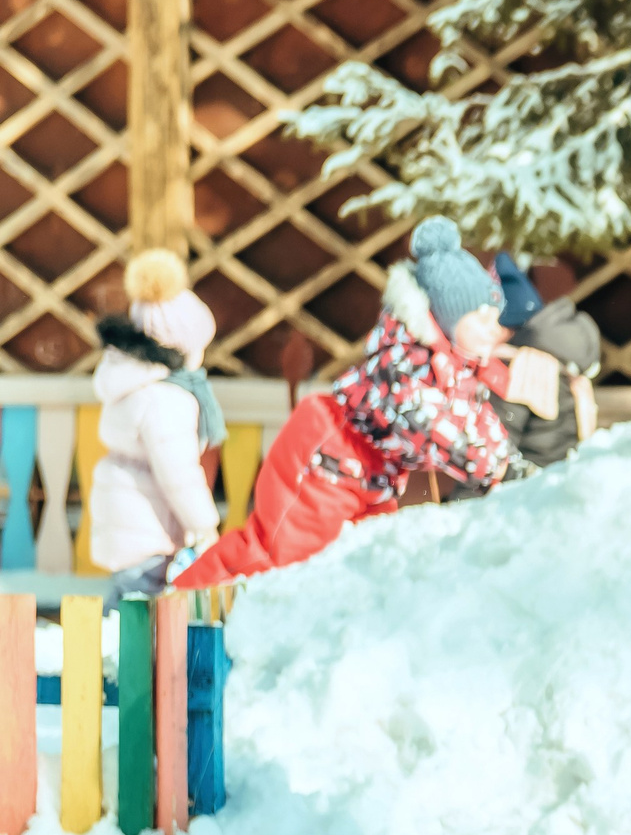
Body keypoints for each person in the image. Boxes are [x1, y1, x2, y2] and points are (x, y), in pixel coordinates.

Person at [173, 218, 531, 587]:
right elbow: (425, 421)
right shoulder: (406, 361)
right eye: (482, 320)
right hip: (325, 453)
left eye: (495, 319)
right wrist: (493, 467)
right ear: (448, 318)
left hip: (373, 476)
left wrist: (510, 461)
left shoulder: (458, 368)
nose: (494, 330)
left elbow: (476, 417)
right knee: (278, 555)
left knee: (369, 569)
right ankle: (181, 600)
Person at [88, 251, 225, 599]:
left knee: (124, 614)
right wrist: (204, 524)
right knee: (143, 621)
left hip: (128, 523)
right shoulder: (165, 400)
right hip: (148, 530)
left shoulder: (134, 383)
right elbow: (178, 473)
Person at [489, 254, 601, 471]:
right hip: (567, 470)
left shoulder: (523, 365)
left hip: (532, 481)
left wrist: (464, 498)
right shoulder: (561, 358)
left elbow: (500, 442)